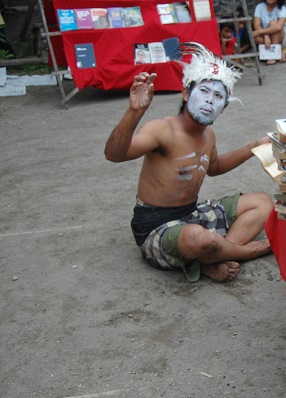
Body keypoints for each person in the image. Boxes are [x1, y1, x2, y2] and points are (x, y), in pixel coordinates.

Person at [105, 42, 273, 283]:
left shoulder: (208, 135)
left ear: (223, 108)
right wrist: (134, 112)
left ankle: (213, 257)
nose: (209, 101)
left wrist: (254, 146)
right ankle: (253, 250)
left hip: (191, 213)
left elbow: (213, 168)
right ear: (186, 93)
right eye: (203, 91)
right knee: (198, 238)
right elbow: (114, 154)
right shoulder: (162, 129)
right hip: (155, 227)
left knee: (263, 203)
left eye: (218, 96)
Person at [253, 0, 286, 65]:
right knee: (256, 38)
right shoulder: (259, 7)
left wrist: (261, 32)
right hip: (266, 35)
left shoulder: (282, 8)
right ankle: (278, 52)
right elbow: (256, 25)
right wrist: (266, 36)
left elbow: (278, 27)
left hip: (282, 35)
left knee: (273, 23)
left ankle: (273, 55)